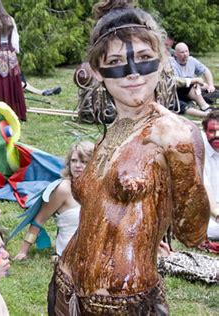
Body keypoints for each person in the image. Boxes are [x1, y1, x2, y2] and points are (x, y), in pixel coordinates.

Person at [54, 1, 210, 315]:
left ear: (162, 59)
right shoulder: (115, 128)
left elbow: (192, 232)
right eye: (115, 61)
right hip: (65, 288)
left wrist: (183, 161)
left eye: (143, 58)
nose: (132, 73)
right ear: (98, 71)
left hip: (123, 300)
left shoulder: (175, 134)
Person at [13, 141, 95, 261]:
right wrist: (23, 251)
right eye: (74, 161)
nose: (77, 165)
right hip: (69, 254)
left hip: (94, 250)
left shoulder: (99, 189)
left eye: (83, 162)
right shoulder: (63, 189)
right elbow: (39, 220)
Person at [169, 42, 217, 113]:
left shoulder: (191, 60)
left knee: (213, 91)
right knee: (192, 84)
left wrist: (210, 85)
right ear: (176, 54)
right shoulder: (171, 62)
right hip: (176, 91)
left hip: (193, 90)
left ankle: (199, 103)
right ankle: (205, 107)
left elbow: (206, 71)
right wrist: (195, 80)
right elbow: (177, 81)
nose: (185, 54)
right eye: (182, 52)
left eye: (186, 51)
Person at [201, 110, 219, 244]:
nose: (217, 136)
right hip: (206, 213)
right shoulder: (199, 150)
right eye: (212, 131)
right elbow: (204, 186)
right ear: (205, 131)